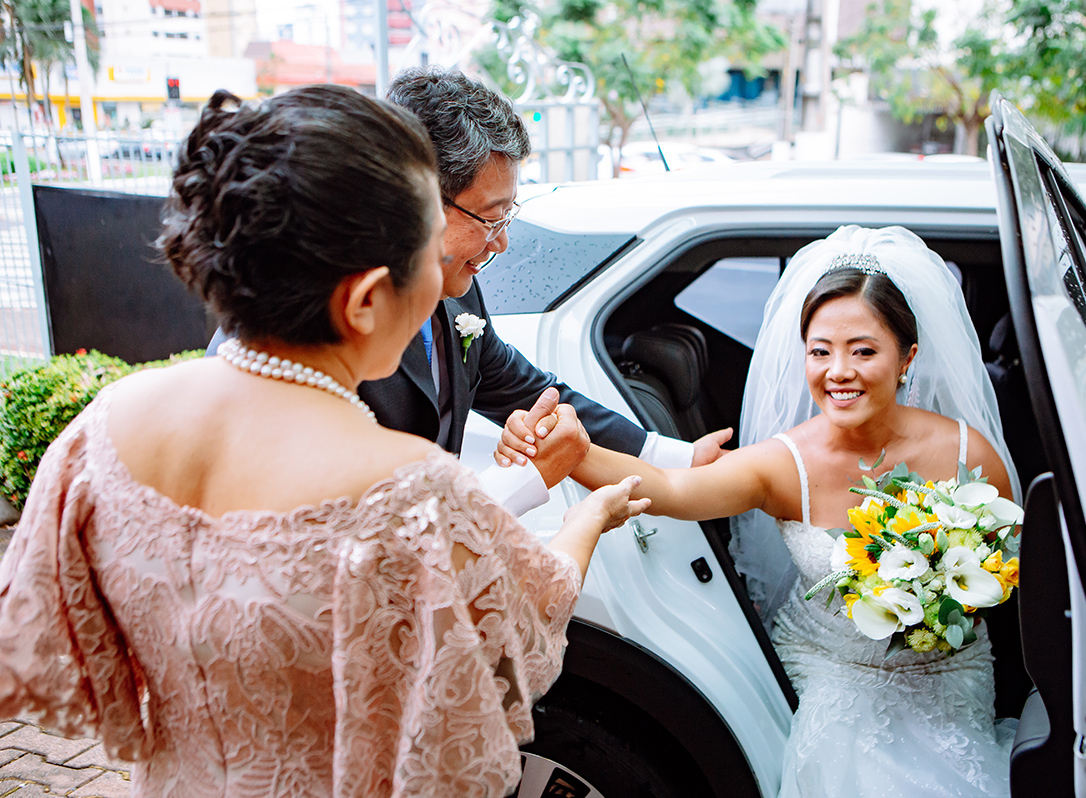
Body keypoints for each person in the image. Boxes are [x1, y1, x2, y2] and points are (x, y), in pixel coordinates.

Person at [0, 87, 649, 798]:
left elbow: (45, 633)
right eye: (426, 258)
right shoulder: (407, 489)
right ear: (365, 300)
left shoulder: (104, 427)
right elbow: (517, 637)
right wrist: (590, 518)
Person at [510, 226, 1021, 797]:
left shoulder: (966, 454)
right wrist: (570, 450)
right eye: (820, 351)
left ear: (907, 359)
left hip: (948, 673)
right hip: (836, 673)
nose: (839, 371)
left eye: (863, 351)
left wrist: (942, 604)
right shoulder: (788, 462)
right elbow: (671, 488)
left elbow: (1007, 574)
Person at [207, 67, 731, 517]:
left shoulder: (457, 294)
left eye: (509, 215)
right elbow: (378, 551)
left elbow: (527, 388)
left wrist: (674, 456)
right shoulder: (287, 345)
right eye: (491, 217)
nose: (502, 242)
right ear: (415, 199)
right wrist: (532, 483)